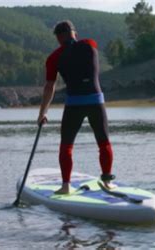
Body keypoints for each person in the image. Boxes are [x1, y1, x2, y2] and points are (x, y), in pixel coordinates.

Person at [37, 20, 115, 194]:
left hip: (74, 104)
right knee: (103, 143)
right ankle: (107, 181)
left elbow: (49, 86)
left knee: (66, 146)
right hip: (96, 101)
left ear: (58, 37)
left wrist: (43, 113)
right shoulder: (90, 44)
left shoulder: (53, 58)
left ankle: (65, 186)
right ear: (73, 33)